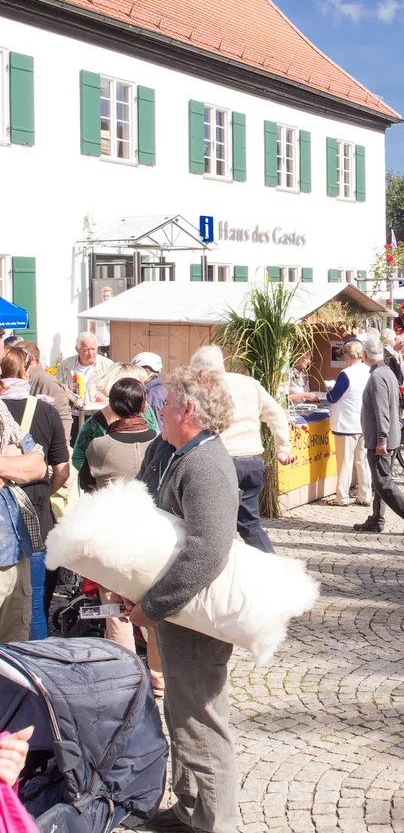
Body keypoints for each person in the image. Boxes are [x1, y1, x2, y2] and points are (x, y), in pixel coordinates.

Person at [130, 365, 240, 833]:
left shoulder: (205, 464)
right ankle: (188, 809)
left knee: (201, 723)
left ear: (187, 410)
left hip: (196, 614)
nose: (158, 408)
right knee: (181, 711)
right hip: (180, 611)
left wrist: (152, 606)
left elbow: (207, 552)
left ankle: (216, 823)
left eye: (167, 402)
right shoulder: (174, 450)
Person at [84, 378, 163, 695]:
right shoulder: (160, 441)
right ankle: (159, 676)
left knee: (116, 610)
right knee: (155, 607)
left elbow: (87, 484)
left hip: (114, 537)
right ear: (144, 406)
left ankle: (127, 679)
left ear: (112, 407)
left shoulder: (100, 447)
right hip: (153, 534)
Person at [191, 345, 295, 553]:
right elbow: (276, 413)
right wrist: (283, 447)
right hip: (252, 460)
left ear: (199, 370)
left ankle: (223, 569)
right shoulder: (249, 383)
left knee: (219, 527)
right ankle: (274, 566)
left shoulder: (204, 388)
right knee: (250, 525)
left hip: (222, 460)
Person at [1, 346, 69, 629]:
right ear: (26, 370)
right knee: (36, 606)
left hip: (9, 526)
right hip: (36, 516)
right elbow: (61, 470)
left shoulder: (5, 413)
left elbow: (40, 464)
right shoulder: (45, 410)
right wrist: (45, 491)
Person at [353, 337, 404, 536]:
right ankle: (377, 519)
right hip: (390, 435)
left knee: (383, 482)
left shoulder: (378, 376)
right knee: (380, 482)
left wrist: (381, 439)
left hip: (382, 439)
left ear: (365, 355)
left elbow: (382, 410)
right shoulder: (387, 372)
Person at [0, 398, 46, 644]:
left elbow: (38, 465)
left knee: (14, 654)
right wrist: (10, 464)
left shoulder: (1, 410)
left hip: (15, 551)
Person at [71, 364, 159, 487]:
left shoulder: (146, 411)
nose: (145, 389)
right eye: (141, 384)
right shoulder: (93, 425)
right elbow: (78, 460)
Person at [325, 340, 372, 507]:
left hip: (346, 423)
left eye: (344, 355)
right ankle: (365, 495)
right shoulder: (369, 371)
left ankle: (342, 496)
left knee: (345, 461)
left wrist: (329, 391)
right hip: (363, 422)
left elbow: (333, 397)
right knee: (362, 461)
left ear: (348, 356)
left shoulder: (346, 374)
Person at [17, 340, 73, 448]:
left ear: (32, 359)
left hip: (45, 450)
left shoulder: (47, 383)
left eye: (19, 356)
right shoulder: (20, 380)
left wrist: (61, 450)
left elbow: (63, 416)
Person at [56, 331, 114, 402]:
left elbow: (117, 391)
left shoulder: (108, 365)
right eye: (86, 350)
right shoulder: (66, 365)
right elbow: (58, 389)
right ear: (77, 349)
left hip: (99, 408)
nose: (91, 353)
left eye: (93, 349)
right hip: (73, 408)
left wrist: (106, 397)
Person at [131, 352, 168, 429]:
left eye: (135, 371)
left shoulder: (155, 394)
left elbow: (160, 428)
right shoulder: (151, 391)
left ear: (147, 372)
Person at [90, 286, 114, 356]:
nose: (105, 298)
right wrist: (92, 339)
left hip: (111, 340)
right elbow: (92, 326)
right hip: (99, 340)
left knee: (111, 359)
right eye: (104, 296)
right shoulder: (96, 310)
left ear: (111, 296)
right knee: (99, 359)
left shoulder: (114, 310)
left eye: (107, 296)